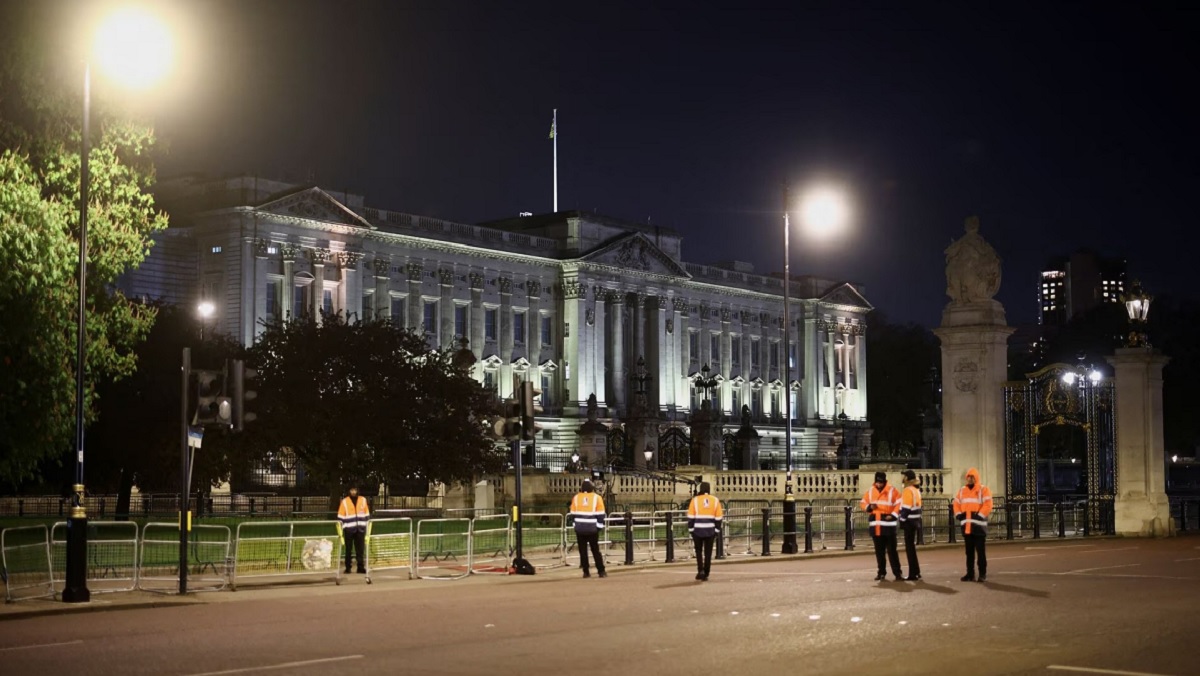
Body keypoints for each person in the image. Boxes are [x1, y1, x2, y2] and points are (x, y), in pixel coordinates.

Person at [859, 471, 903, 581]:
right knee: (879, 553)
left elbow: (899, 503)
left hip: (888, 526)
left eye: (881, 482)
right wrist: (869, 507)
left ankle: (897, 573)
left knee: (892, 551)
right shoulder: (870, 491)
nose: (879, 484)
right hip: (876, 526)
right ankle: (881, 572)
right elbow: (863, 503)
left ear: (884, 481)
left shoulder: (892, 491)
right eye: (878, 482)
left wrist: (893, 515)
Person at [953, 467, 993, 582]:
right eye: (968, 477)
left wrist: (980, 515)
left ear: (976, 478)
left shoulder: (983, 489)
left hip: (979, 526)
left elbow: (988, 504)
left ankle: (982, 574)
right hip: (967, 526)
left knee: (980, 552)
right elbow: (956, 504)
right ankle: (970, 574)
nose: (970, 479)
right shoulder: (962, 490)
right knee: (969, 552)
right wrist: (958, 514)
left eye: (972, 477)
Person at [569, 480, 607, 578]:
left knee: (583, 551)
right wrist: (599, 527)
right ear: (592, 488)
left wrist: (575, 526)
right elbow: (601, 514)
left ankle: (586, 571)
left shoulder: (576, 498)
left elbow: (572, 514)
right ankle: (601, 571)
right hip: (592, 528)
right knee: (595, 550)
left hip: (580, 528)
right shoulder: (597, 498)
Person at [687, 482, 724, 581]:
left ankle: (700, 571)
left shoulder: (694, 500)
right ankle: (706, 572)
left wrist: (691, 530)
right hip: (710, 530)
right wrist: (716, 530)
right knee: (708, 552)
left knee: (698, 551)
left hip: (698, 529)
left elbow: (690, 517)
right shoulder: (715, 500)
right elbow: (719, 517)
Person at [337, 485, 370, 574]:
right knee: (348, 549)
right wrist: (343, 529)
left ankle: (360, 567)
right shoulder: (344, 502)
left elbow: (367, 514)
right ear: (349, 491)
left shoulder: (363, 500)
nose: (353, 492)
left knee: (360, 549)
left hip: (360, 528)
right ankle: (348, 567)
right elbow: (340, 517)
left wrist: (366, 526)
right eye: (352, 490)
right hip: (349, 529)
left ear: (357, 490)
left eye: (355, 490)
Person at [898, 470, 923, 581]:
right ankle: (916, 571)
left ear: (907, 478)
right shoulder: (916, 490)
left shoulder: (908, 490)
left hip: (909, 522)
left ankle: (913, 573)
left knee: (910, 549)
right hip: (916, 521)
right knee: (912, 548)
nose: (903, 478)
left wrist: (901, 520)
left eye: (904, 476)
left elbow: (906, 508)